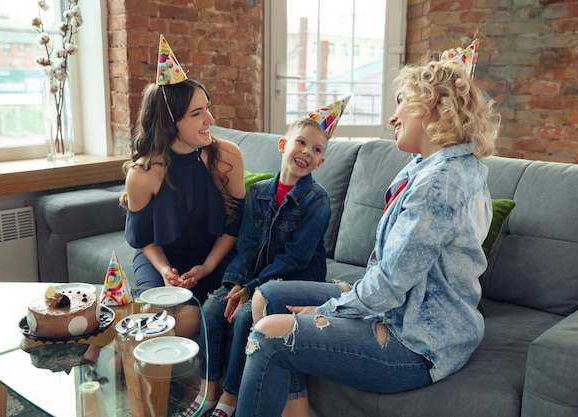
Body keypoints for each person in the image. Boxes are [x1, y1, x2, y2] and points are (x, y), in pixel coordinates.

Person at [237, 39, 501, 417]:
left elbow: (391, 285)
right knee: (268, 296)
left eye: (400, 102)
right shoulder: (433, 165)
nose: (393, 117)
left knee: (270, 334)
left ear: (430, 108)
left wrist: (328, 308)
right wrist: (345, 301)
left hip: (418, 339)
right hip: (404, 304)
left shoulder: (440, 182)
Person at [182, 97, 350, 417]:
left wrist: (252, 288)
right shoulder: (258, 193)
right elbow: (246, 245)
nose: (306, 152)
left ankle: (229, 399)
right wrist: (234, 283)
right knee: (213, 307)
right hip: (253, 275)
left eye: (316, 150)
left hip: (295, 280)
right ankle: (209, 389)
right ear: (283, 145)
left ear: (321, 162)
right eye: (301, 142)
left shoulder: (317, 200)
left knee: (247, 316)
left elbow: (296, 258)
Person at [120, 35, 245, 337]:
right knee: (153, 317)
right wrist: (164, 271)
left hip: (213, 256)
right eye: (197, 113)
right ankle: (110, 361)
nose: (210, 119)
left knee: (189, 319)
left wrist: (207, 266)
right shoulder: (143, 173)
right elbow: (143, 239)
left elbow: (234, 225)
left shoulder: (227, 156)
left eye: (207, 108)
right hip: (161, 259)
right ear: (169, 121)